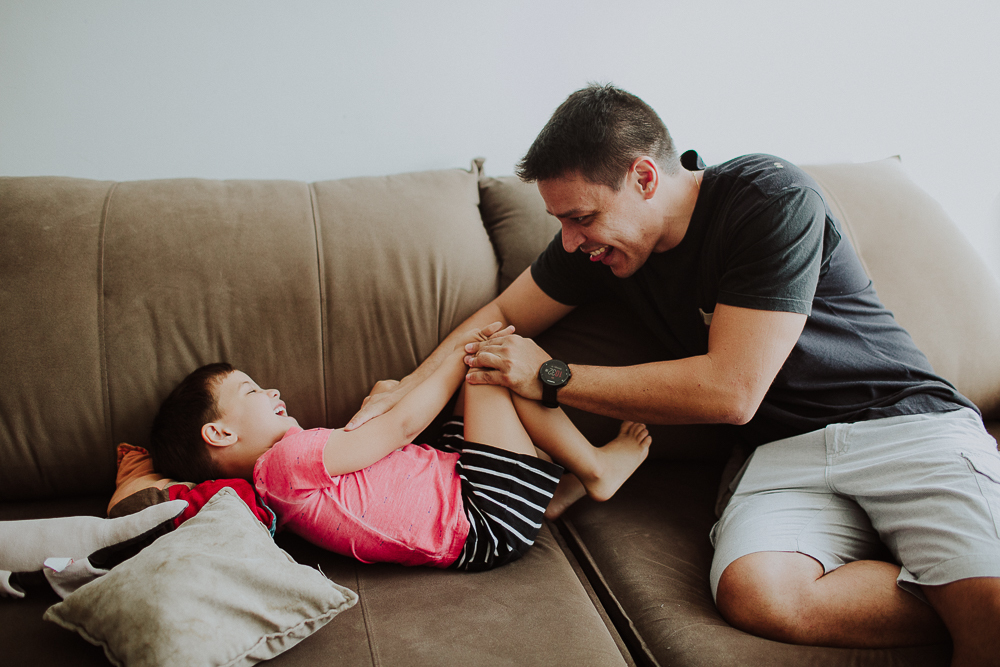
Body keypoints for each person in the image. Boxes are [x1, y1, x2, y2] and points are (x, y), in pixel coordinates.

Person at [345, 83, 1000, 664]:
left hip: (900, 422)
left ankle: (977, 598)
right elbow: (501, 315)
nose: (570, 240)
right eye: (561, 221)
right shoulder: (598, 250)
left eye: (581, 217)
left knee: (988, 626)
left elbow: (733, 391)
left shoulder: (768, 197)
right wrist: (407, 389)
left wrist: (551, 375)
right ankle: (965, 591)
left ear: (643, 178)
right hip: (781, 452)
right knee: (755, 593)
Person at [147, 323, 650, 572]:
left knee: (424, 389)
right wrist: (461, 353)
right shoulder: (283, 463)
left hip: (471, 495)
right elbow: (402, 429)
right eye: (253, 391)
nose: (272, 390)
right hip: (484, 516)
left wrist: (386, 393)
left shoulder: (284, 477)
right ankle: (596, 467)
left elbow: (380, 448)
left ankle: (550, 496)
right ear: (220, 434)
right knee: (489, 371)